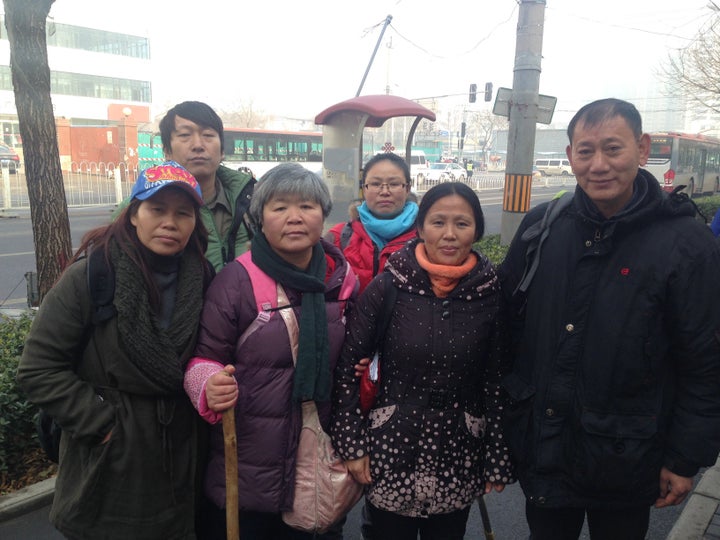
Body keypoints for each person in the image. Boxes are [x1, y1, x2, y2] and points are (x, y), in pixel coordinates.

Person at [497, 98, 720, 540]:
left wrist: (683, 458)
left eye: (613, 149)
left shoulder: (686, 243)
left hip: (630, 456)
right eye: (585, 151)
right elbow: (506, 327)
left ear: (642, 149)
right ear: (570, 157)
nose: (598, 165)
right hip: (545, 447)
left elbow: (704, 362)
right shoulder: (543, 226)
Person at [16, 161, 213, 539]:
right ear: (134, 214)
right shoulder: (93, 275)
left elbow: (209, 353)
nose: (169, 222)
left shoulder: (203, 278)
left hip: (181, 461)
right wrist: (103, 423)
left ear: (194, 223)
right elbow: (38, 369)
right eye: (157, 209)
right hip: (109, 464)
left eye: (182, 213)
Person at [183, 163, 358, 540]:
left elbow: (358, 361)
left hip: (319, 458)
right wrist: (208, 385)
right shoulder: (237, 280)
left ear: (323, 214)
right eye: (279, 208)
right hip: (249, 470)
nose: (294, 217)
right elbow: (203, 359)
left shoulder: (343, 281)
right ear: (260, 218)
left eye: (307, 206)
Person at [331, 182, 513, 540]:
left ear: (476, 229)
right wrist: (353, 446)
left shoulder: (490, 293)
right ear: (420, 227)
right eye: (438, 222)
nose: (449, 235)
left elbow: (496, 380)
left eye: (462, 224)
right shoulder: (389, 286)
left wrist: (497, 456)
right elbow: (348, 370)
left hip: (458, 451)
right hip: (391, 448)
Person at [159, 100, 255, 271]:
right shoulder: (145, 207)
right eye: (184, 135)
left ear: (222, 150)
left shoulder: (252, 199)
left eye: (208, 135)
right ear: (167, 150)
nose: (198, 145)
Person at [325, 152, 418, 293]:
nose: (385, 191)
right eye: (375, 184)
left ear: (408, 188)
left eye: (394, 184)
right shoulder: (338, 238)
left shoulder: (427, 237)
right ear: (364, 188)